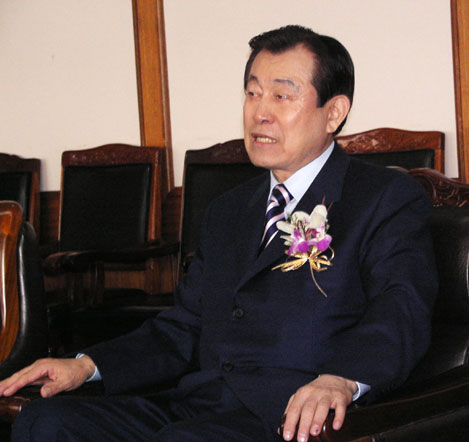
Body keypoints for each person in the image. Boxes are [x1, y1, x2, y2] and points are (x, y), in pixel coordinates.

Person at [0, 25, 437, 442]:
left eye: (282, 96)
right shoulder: (229, 210)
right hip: (200, 403)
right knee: (47, 422)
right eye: (252, 93)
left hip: (290, 417)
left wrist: (341, 380)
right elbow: (185, 325)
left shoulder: (383, 197)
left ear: (334, 112)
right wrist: (87, 365)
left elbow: (401, 308)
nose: (260, 113)